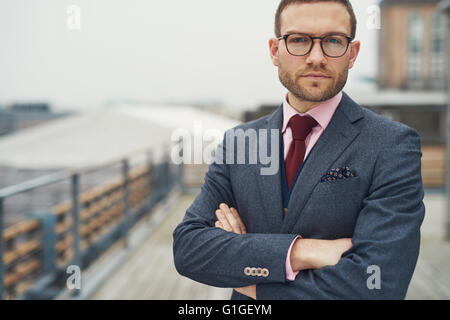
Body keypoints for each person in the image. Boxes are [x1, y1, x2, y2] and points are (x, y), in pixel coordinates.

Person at [173, 0, 425, 300]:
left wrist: (252, 282)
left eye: (333, 41)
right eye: (299, 40)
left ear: (352, 53)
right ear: (274, 51)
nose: (316, 57)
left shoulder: (392, 144)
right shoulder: (239, 142)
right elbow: (189, 249)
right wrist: (301, 251)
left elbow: (378, 283)